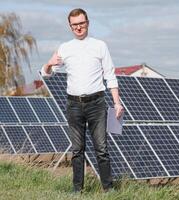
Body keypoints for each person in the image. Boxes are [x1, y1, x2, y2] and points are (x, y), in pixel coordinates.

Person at [41, 8, 124, 193]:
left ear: (88, 23)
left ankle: (108, 189)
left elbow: (110, 75)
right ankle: (77, 190)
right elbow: (47, 74)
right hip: (74, 105)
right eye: (74, 25)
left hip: (97, 103)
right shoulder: (65, 48)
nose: (78, 27)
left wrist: (117, 102)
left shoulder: (100, 45)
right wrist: (48, 63)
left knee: (101, 149)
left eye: (81, 23)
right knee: (77, 150)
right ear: (70, 26)